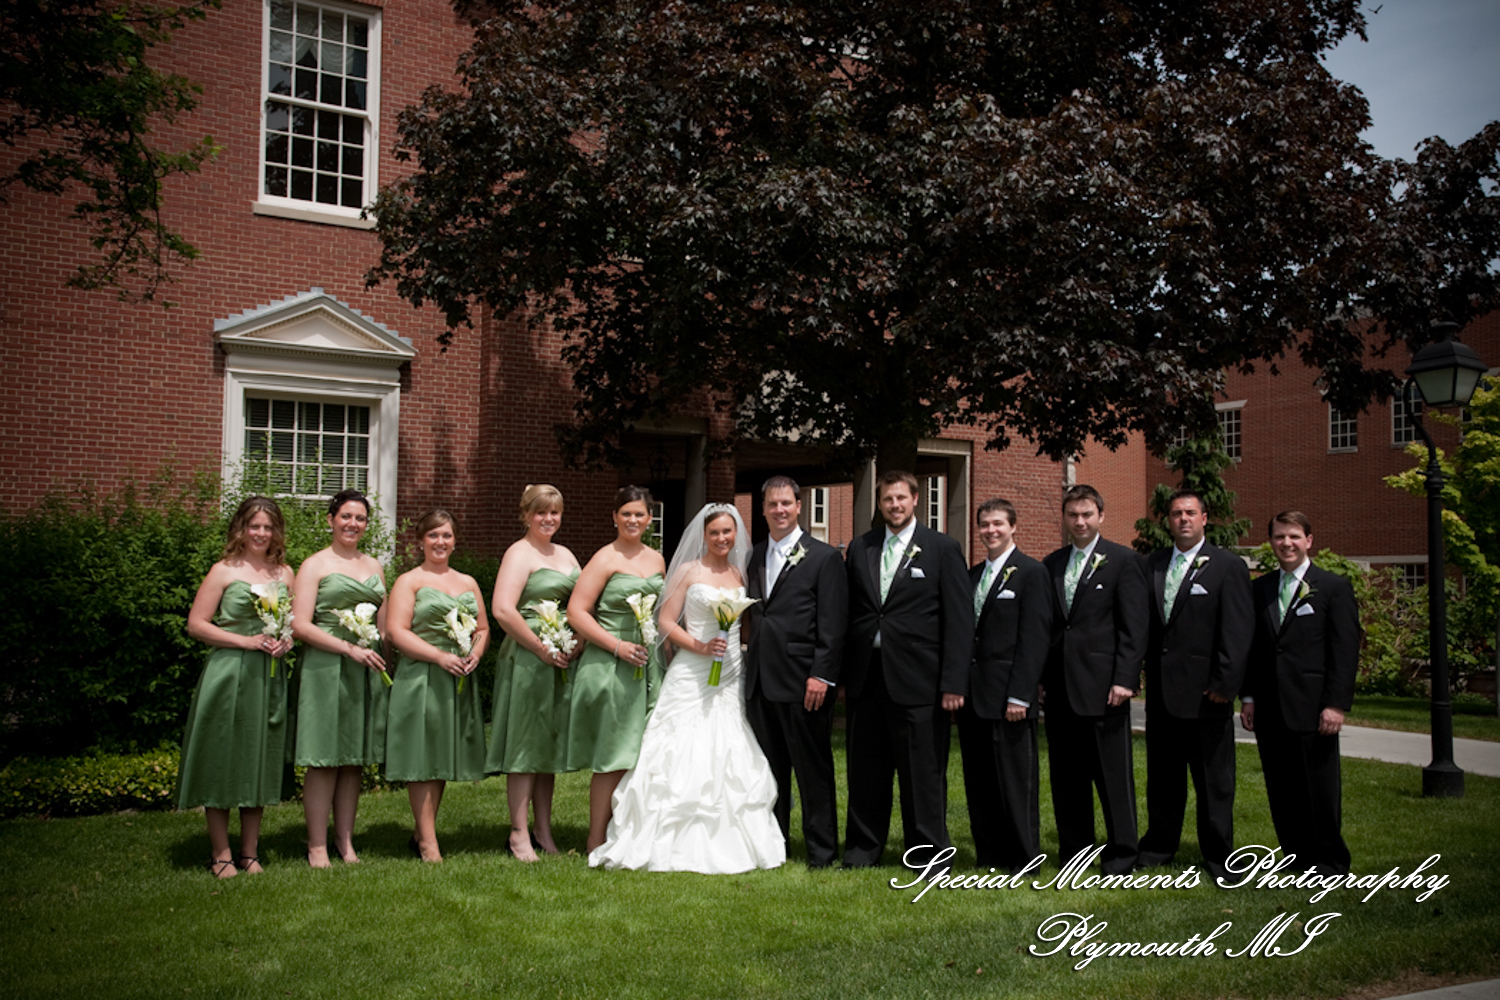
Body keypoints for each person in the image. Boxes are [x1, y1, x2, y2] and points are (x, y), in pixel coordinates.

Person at [590, 503, 785, 872]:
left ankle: (733, 837)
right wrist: (698, 646)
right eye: (714, 533)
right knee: (677, 741)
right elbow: (665, 621)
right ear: (703, 536)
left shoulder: (740, 573)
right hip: (692, 669)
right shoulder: (687, 570)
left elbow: (746, 628)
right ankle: (662, 832)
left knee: (728, 741)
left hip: (729, 672)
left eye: (728, 532)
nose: (722, 538)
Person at [842, 470, 972, 868]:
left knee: (922, 773)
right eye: (887, 500)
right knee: (866, 771)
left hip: (921, 680)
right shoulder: (860, 546)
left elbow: (960, 620)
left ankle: (929, 853)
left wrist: (953, 683)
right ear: (879, 504)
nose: (894, 505)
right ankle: (863, 849)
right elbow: (852, 614)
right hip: (868, 677)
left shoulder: (942, 548)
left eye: (900, 498)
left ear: (916, 499)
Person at [1137, 489, 1253, 883]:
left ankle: (1220, 855)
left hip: (1208, 695)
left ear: (1205, 518)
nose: (1182, 519)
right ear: (1167, 521)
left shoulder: (1227, 566)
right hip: (1163, 697)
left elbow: (1237, 631)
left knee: (1213, 782)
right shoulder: (1151, 565)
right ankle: (1158, 847)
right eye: (1175, 514)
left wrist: (1225, 684)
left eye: (1190, 513)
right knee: (1163, 779)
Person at [177, 496, 295, 878]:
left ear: (277, 531)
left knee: (257, 757)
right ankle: (220, 852)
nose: (261, 533)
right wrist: (244, 642)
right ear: (241, 529)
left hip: (268, 677)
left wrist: (286, 641)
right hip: (229, 674)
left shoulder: (284, 574)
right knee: (222, 758)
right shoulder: (224, 571)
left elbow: (288, 623)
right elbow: (197, 624)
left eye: (268, 526)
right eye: (254, 526)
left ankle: (250, 851)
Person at [1242, 511, 1359, 876]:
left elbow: (1345, 650)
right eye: (1279, 537)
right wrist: (1248, 697)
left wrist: (1335, 705)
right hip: (1270, 708)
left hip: (1314, 707)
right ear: (1271, 542)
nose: (1286, 543)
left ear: (1308, 540)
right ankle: (1295, 858)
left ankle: (1330, 861)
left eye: (1293, 536)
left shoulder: (1333, 587)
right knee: (1282, 788)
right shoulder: (1259, 589)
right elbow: (1252, 648)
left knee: (1319, 789)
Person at [1041, 483, 1148, 875]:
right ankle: (1074, 852)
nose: (1080, 521)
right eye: (1073, 515)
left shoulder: (1123, 561)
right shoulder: (1051, 564)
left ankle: (1122, 853)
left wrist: (1125, 678)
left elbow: (1134, 627)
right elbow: (1048, 627)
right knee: (1066, 777)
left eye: (1087, 514)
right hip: (1060, 689)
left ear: (1100, 516)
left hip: (1107, 689)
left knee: (1112, 777)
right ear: (1066, 519)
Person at [743, 476, 848, 868]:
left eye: (786, 503)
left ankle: (821, 851)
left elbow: (833, 622)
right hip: (761, 681)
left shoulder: (823, 557)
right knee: (770, 772)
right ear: (764, 507)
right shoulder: (753, 555)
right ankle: (776, 845)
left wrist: (822, 674)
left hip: (805, 681)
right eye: (772, 504)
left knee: (812, 769)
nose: (780, 510)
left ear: (799, 506)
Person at [290, 489, 389, 868]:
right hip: (326, 667)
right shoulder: (315, 565)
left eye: (360, 518)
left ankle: (345, 841)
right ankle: (316, 844)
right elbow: (300, 624)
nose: (353, 524)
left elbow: (381, 624)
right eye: (346, 516)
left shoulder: (375, 567)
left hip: (365, 667)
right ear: (331, 519)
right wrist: (347, 649)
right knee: (324, 758)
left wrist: (384, 661)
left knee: (353, 759)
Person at [566, 485, 667, 854]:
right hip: (610, 659)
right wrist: (617, 646)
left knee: (643, 751)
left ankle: (630, 831)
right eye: (626, 513)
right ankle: (596, 838)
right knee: (613, 753)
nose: (633, 520)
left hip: (648, 661)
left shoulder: (657, 560)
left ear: (650, 518)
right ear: (614, 517)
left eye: (639, 514)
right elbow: (576, 611)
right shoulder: (604, 558)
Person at [385, 510, 489, 862]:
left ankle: (421, 833)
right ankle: (429, 843)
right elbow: (397, 632)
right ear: (420, 541)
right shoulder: (409, 581)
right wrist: (438, 657)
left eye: (446, 535)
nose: (440, 542)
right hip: (422, 676)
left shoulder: (468, 582)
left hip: (457, 676)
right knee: (422, 757)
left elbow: (483, 629)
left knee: (441, 756)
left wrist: (475, 653)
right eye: (433, 536)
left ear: (455, 540)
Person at [955, 498, 1051, 872]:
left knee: (1016, 783)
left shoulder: (1031, 573)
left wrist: (1021, 695)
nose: (990, 531)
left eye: (998, 524)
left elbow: (1035, 638)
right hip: (975, 697)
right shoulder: (972, 575)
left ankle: (1025, 859)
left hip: (1011, 696)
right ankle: (989, 856)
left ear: (1014, 528)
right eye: (984, 524)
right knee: (980, 783)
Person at [486, 484, 581, 862]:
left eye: (554, 512)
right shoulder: (519, 553)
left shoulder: (566, 553)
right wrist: (541, 648)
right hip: (528, 658)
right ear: (525, 515)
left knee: (548, 746)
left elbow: (584, 602)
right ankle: (518, 833)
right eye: (540, 512)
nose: (548, 519)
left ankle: (544, 829)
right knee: (526, 746)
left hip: (559, 658)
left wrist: (575, 643)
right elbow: (503, 610)